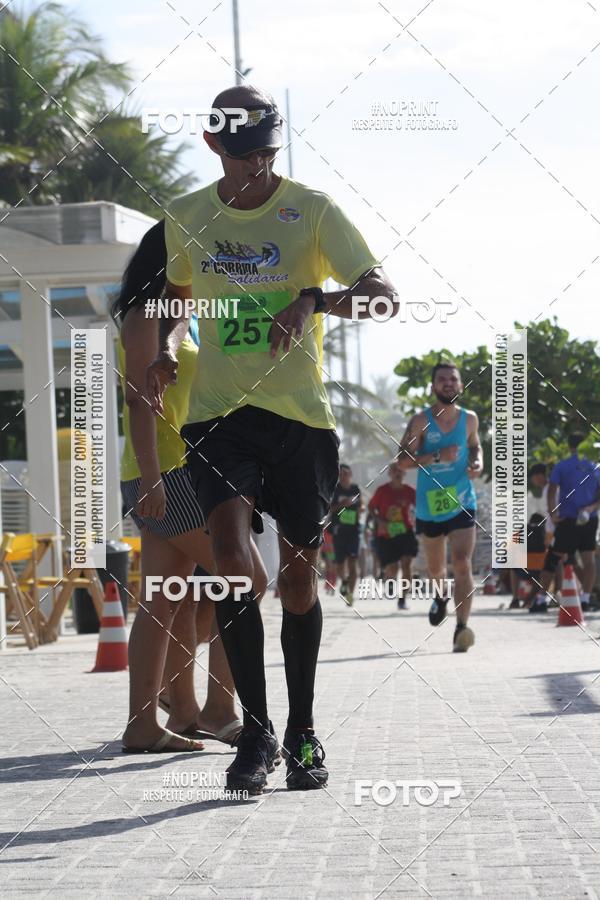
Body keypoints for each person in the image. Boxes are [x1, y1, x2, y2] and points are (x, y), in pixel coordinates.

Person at [147, 83, 397, 793]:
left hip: (299, 421)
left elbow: (384, 296)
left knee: (296, 580)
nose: (257, 165)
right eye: (244, 153)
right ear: (213, 145)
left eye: (267, 152)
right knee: (230, 560)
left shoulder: (312, 210)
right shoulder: (186, 216)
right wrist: (167, 345)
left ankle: (302, 730)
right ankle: (254, 734)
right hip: (218, 418)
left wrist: (313, 298)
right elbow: (177, 298)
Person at [114, 220, 268, 753]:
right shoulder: (144, 316)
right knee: (246, 579)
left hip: (184, 468)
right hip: (167, 471)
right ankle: (219, 708)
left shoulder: (182, 317)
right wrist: (152, 479)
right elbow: (139, 401)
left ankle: (156, 721)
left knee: (165, 599)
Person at [397, 362, 483, 651]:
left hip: (462, 500)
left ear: (460, 385)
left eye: (453, 379)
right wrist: (437, 456)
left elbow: (475, 445)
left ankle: (461, 628)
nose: (448, 383)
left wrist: (477, 462)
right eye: (442, 379)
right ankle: (441, 596)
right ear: (433, 386)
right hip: (430, 507)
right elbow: (402, 461)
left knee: (462, 562)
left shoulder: (470, 419)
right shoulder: (420, 422)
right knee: (436, 570)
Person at [530, 433, 600, 613]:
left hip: (567, 519)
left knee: (553, 559)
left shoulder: (562, 466)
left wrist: (553, 514)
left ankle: (541, 599)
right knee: (588, 559)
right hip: (589, 519)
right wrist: (591, 508)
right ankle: (585, 599)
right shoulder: (595, 466)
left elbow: (551, 491)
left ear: (569, 447)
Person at [368, 462, 418, 610]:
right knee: (393, 568)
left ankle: (402, 599)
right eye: (394, 471)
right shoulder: (382, 491)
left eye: (400, 470)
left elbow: (420, 506)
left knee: (407, 565)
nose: (397, 473)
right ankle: (390, 579)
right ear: (389, 474)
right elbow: (371, 507)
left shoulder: (410, 491)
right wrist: (379, 521)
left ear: (404, 473)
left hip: (405, 532)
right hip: (386, 534)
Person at [509, 463, 549, 609]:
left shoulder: (547, 492)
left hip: (536, 544)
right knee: (551, 566)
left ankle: (518, 599)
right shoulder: (535, 495)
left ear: (539, 476)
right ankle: (530, 598)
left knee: (515, 564)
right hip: (537, 544)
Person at [330, 464, 362, 606]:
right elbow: (329, 508)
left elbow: (361, 504)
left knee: (353, 564)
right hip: (339, 531)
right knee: (340, 565)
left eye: (346, 474)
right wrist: (342, 504)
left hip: (353, 531)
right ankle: (343, 580)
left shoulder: (355, 489)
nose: (343, 476)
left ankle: (350, 595)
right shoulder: (334, 489)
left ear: (351, 475)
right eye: (341, 474)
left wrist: (361, 508)